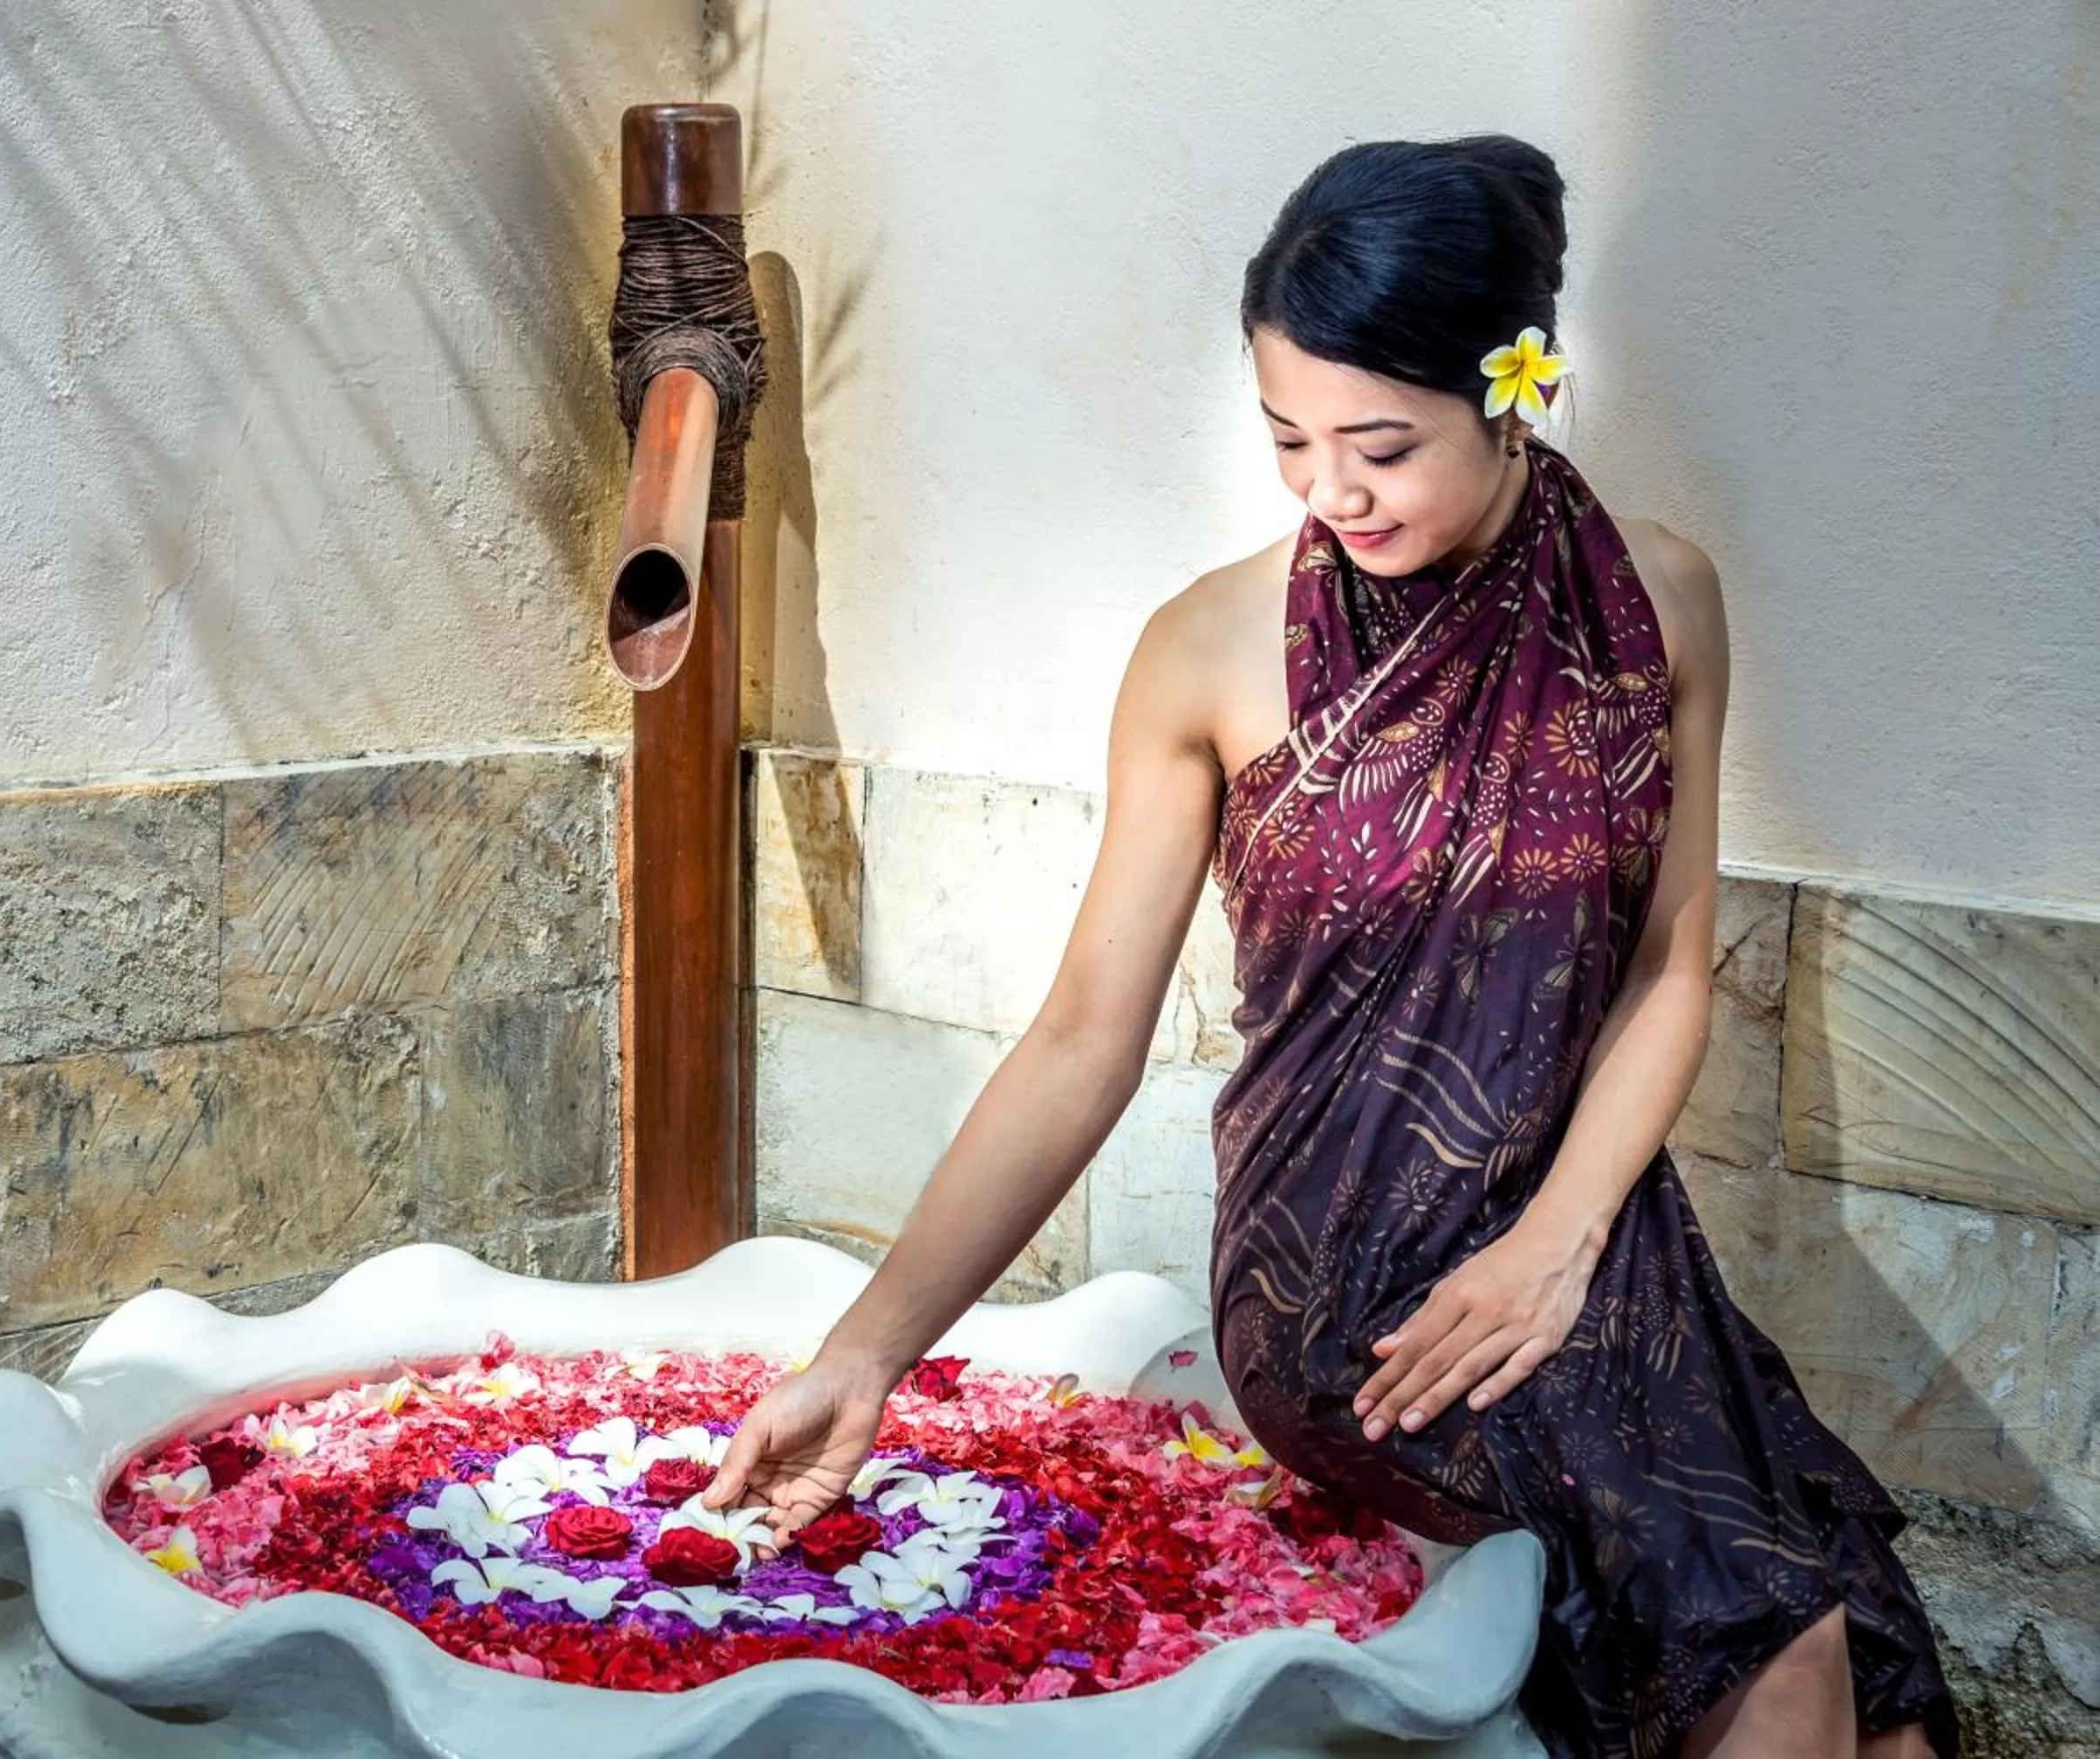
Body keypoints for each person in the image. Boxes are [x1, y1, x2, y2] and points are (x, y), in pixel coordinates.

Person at [703, 134, 1961, 1759]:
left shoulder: (1661, 601)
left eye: (1382, 445)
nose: (1331, 492)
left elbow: (1669, 963)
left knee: (1874, 1692)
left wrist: (1561, 1238)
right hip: (1350, 1273)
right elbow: (1084, 1038)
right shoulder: (1209, 648)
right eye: (1288, 437)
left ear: (1513, 387)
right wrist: (865, 1356)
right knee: (1783, 1660)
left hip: (1597, 1238)